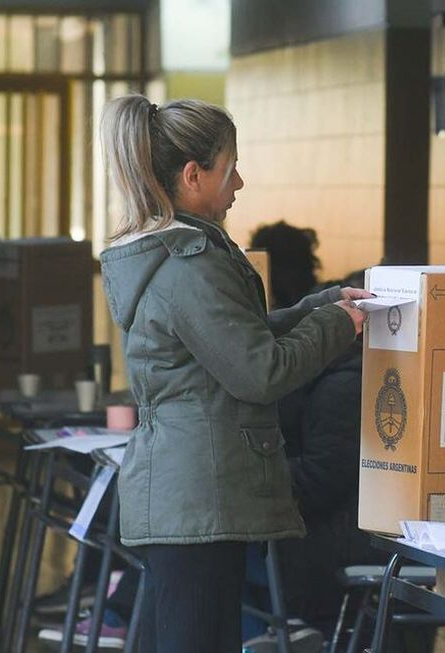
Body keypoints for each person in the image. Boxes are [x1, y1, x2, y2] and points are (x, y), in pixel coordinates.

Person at [97, 95, 367, 652]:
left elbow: (238, 335)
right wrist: (339, 325)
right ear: (193, 176)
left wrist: (320, 307)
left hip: (192, 491)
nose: (239, 182)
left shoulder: (175, 256)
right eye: (231, 167)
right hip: (200, 495)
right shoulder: (189, 266)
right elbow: (260, 371)